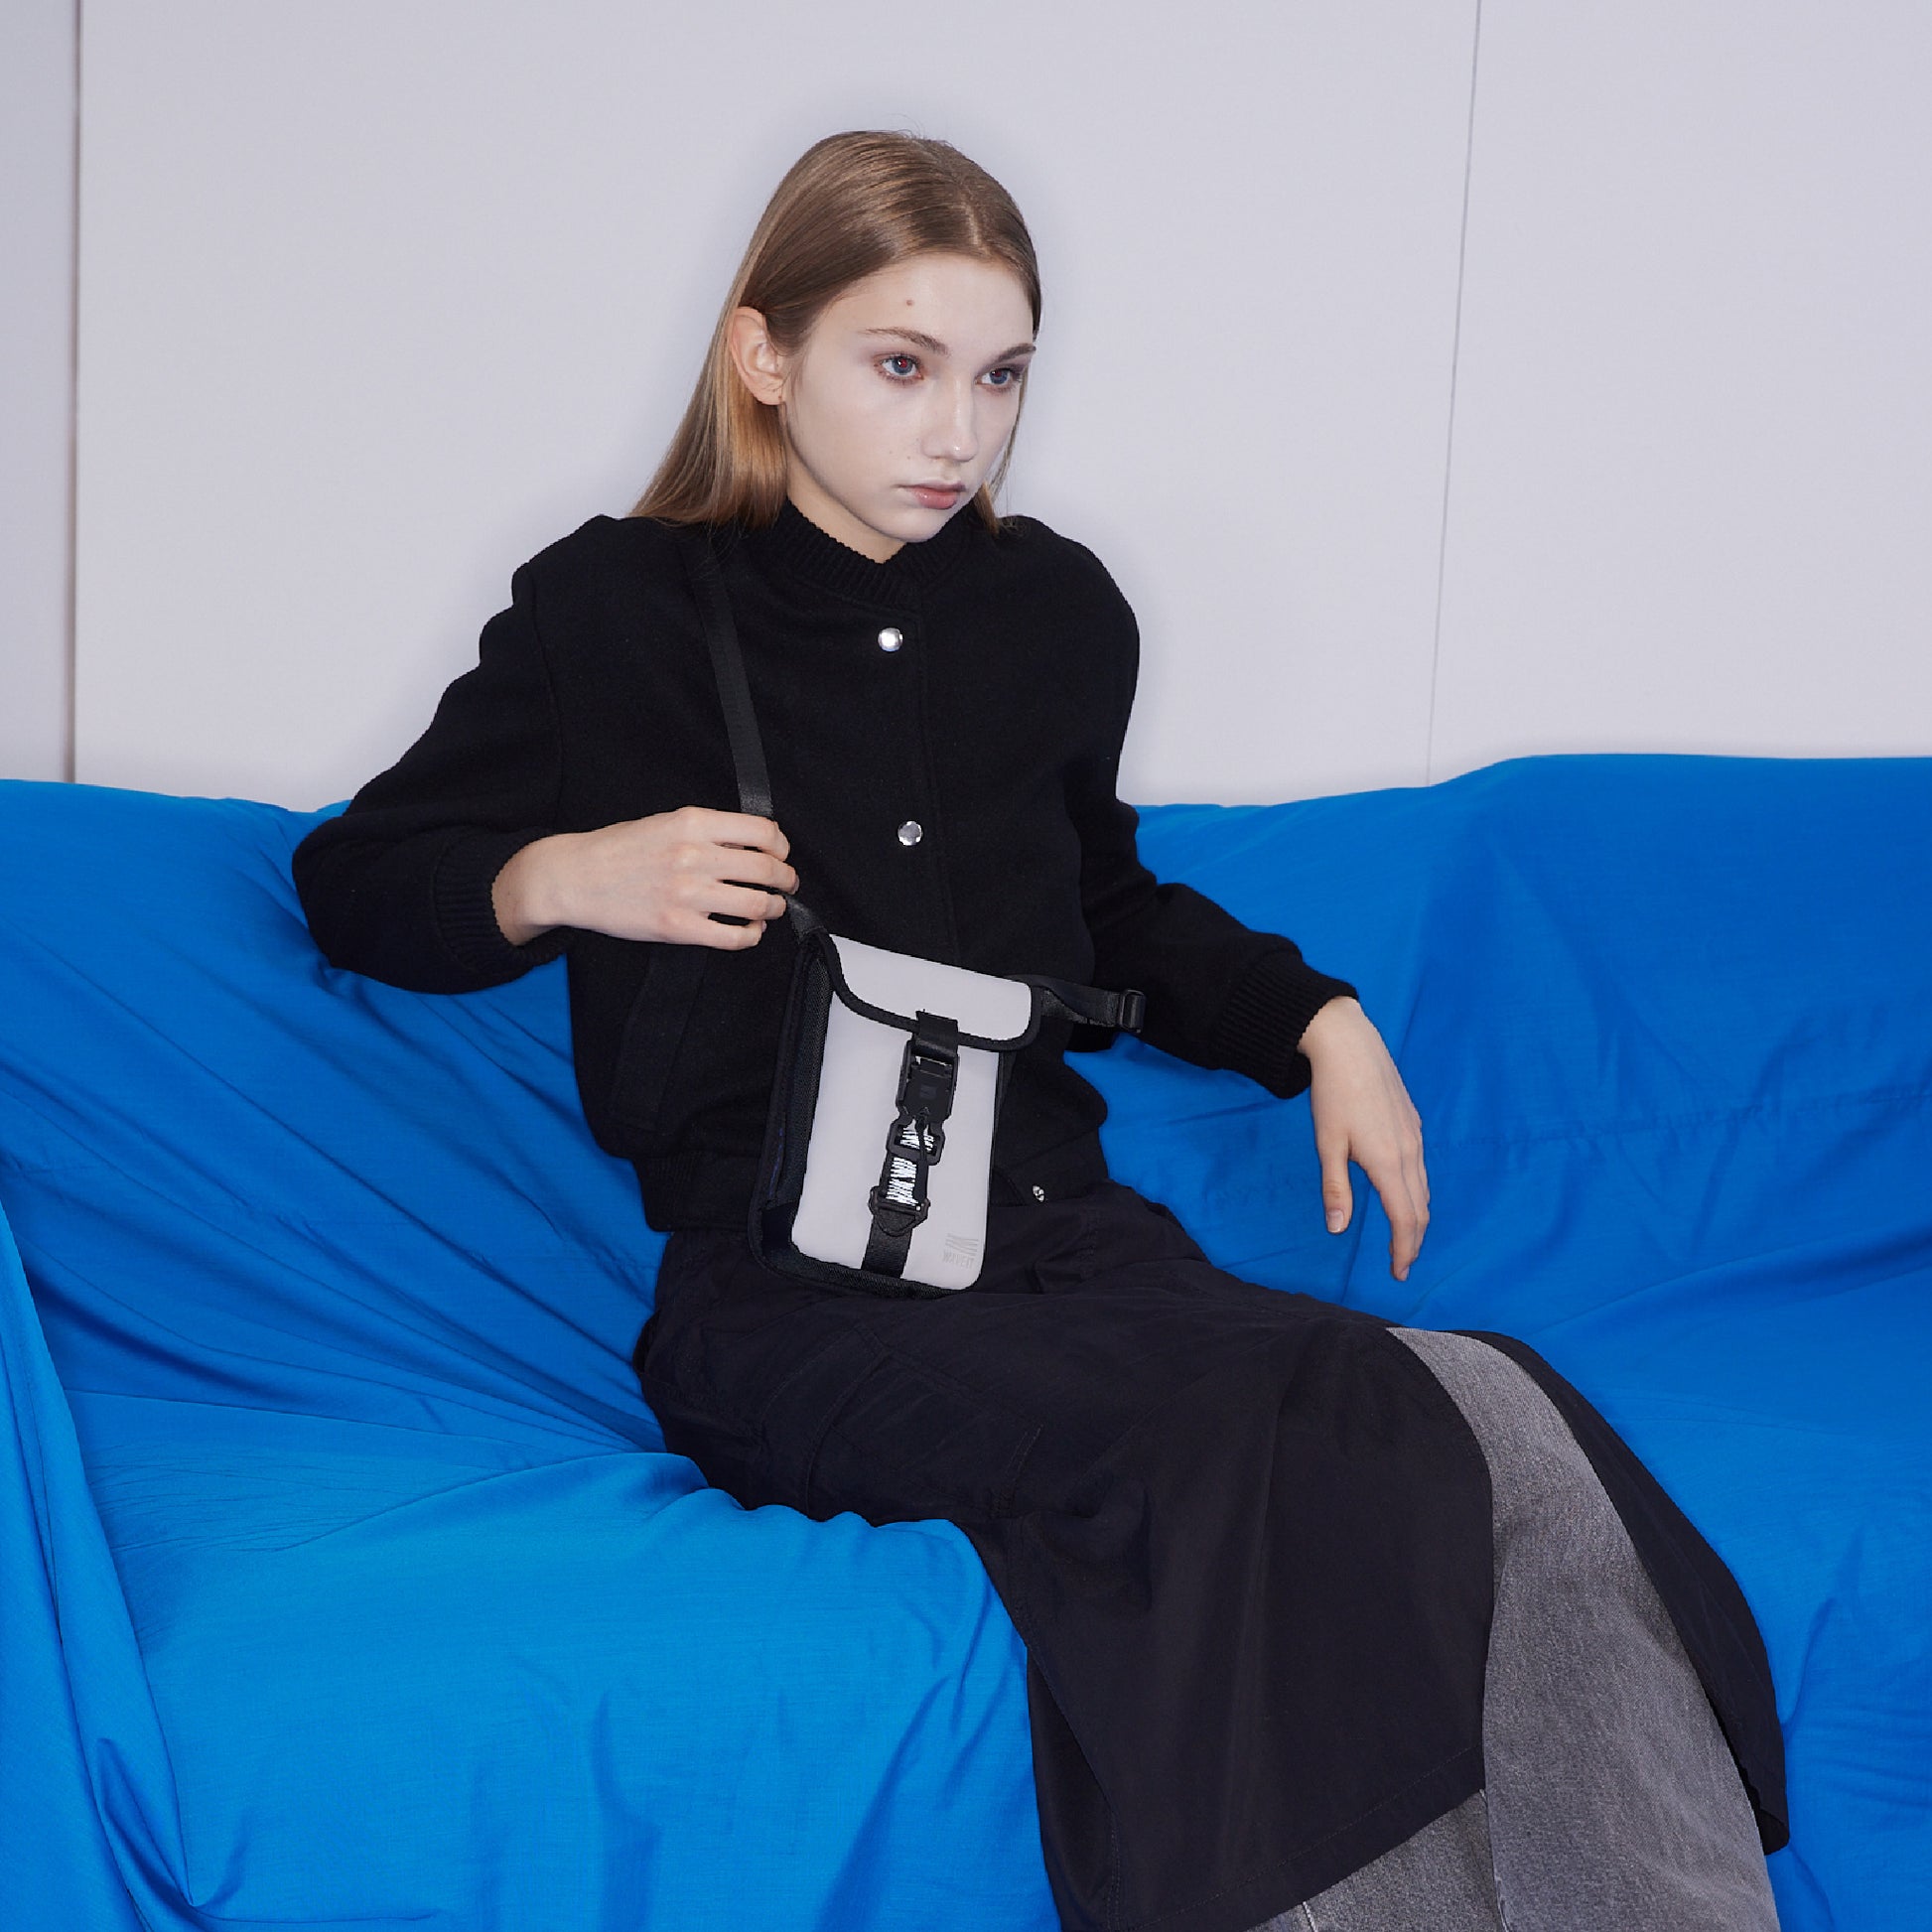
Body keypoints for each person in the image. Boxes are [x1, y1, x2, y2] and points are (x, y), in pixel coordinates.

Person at [293, 130, 1787, 1932]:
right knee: (1269, 1434)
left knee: (1482, 1397)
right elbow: (356, 880)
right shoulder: (614, 611)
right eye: (902, 366)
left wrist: (1316, 1018)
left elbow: (1104, 912)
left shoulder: (1054, 611)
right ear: (765, 354)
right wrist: (561, 875)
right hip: (791, 1300)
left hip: (1071, 1251)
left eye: (1000, 377)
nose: (959, 432)